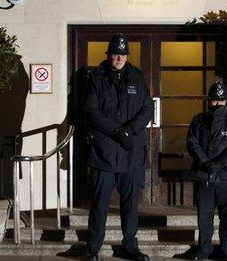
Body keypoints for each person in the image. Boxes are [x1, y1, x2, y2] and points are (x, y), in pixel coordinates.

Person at [84, 33, 153, 261]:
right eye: (116, 53)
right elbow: (92, 111)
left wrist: (129, 130)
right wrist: (116, 131)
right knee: (100, 205)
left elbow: (147, 110)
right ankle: (93, 248)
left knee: (130, 206)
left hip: (131, 153)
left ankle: (130, 245)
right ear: (109, 54)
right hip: (104, 153)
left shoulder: (137, 77)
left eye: (123, 54)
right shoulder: (97, 77)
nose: (119, 57)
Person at [186, 82, 227, 261]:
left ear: (225, 101)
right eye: (214, 100)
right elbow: (192, 143)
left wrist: (218, 165)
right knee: (204, 218)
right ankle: (204, 250)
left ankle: (225, 251)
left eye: (221, 100)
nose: (217, 104)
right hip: (204, 175)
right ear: (209, 101)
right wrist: (205, 162)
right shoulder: (198, 119)